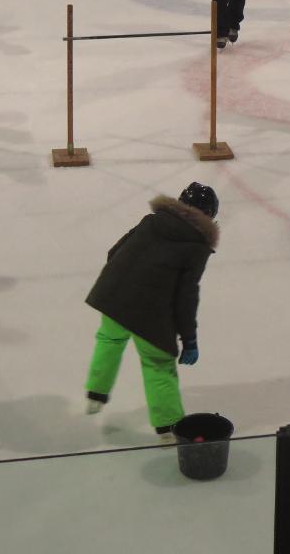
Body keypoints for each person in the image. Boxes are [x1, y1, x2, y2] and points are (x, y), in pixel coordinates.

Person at [83, 182, 219, 443]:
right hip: (150, 315)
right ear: (209, 216)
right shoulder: (196, 247)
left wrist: (124, 281)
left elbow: (113, 252)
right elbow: (186, 298)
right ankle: (167, 428)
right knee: (158, 365)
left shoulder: (151, 221)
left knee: (109, 340)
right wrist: (189, 340)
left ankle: (95, 394)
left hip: (113, 296)